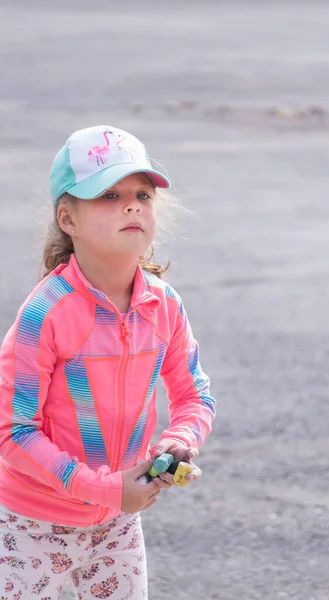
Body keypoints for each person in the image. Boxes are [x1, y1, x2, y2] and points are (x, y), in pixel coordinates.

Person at [0, 125, 216, 599]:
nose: (132, 204)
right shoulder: (45, 315)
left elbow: (194, 396)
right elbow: (14, 435)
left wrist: (178, 444)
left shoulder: (164, 306)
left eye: (142, 192)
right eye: (108, 194)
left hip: (117, 527)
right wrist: (104, 489)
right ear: (67, 219)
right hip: (33, 526)